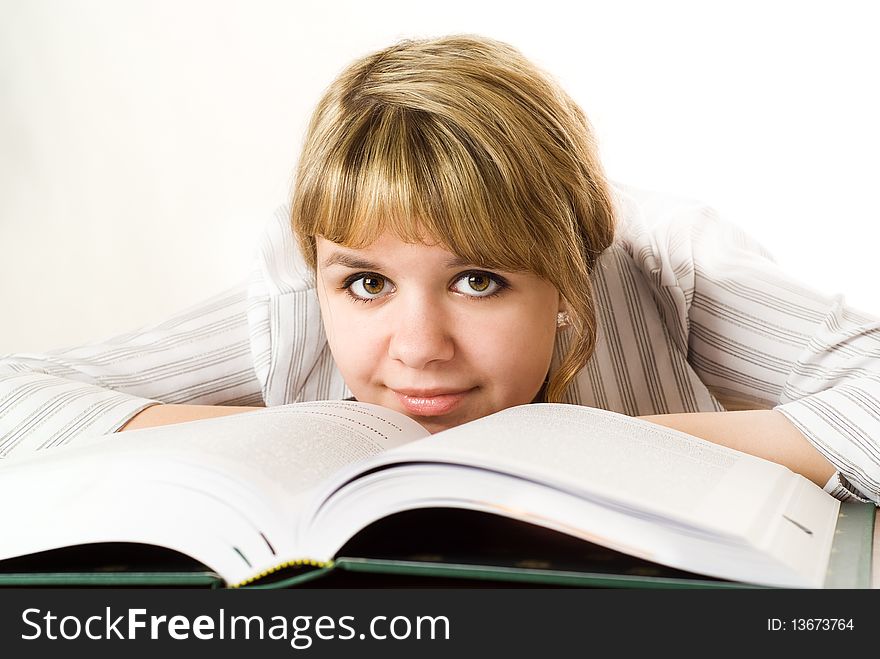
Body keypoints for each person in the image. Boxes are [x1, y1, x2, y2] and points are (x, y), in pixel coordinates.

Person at [1, 35, 878, 505]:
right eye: (368, 285)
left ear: (570, 276)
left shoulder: (668, 260)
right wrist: (297, 441)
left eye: (477, 280)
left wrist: (577, 451)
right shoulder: (294, 285)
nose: (416, 350)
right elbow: (18, 396)